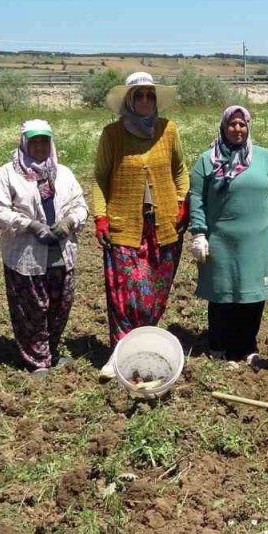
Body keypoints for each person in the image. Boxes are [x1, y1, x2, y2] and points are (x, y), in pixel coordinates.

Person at [91, 72, 189, 374]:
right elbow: (100, 178)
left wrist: (183, 202)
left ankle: (144, 347)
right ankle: (119, 353)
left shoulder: (168, 130)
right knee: (124, 293)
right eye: (139, 95)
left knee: (155, 293)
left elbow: (180, 170)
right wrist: (101, 217)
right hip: (124, 226)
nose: (145, 100)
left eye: (150, 95)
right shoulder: (112, 134)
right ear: (129, 100)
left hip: (164, 225)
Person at [188, 106, 268, 364]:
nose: (237, 129)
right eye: (232, 124)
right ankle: (219, 346)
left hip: (256, 240)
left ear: (249, 127)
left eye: (242, 124)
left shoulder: (264, 157)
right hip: (221, 239)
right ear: (223, 127)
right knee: (222, 293)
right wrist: (199, 233)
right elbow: (197, 199)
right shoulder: (206, 160)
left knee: (253, 295)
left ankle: (247, 347)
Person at [0, 119, 88, 376]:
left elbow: (80, 205)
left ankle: (51, 350)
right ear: (24, 143)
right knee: (31, 308)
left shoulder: (63, 173)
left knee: (60, 305)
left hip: (61, 253)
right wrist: (29, 225)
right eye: (35, 141)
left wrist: (69, 221)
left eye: (45, 140)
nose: (40, 146)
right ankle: (36, 360)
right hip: (26, 255)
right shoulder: (8, 174)